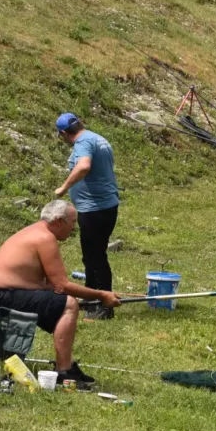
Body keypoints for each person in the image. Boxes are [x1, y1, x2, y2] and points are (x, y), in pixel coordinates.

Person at [0, 200, 120, 385]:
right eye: (72, 222)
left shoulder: (35, 231)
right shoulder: (45, 238)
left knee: (64, 303)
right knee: (69, 305)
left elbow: (50, 286)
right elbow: (62, 285)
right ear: (59, 221)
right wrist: (102, 295)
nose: (73, 228)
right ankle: (64, 371)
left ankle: (65, 366)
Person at [53, 113, 119, 315]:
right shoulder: (97, 138)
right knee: (93, 256)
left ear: (63, 133)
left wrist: (63, 188)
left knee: (94, 257)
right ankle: (92, 299)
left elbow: (83, 166)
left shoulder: (83, 143)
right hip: (105, 206)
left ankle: (102, 306)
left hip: (95, 209)